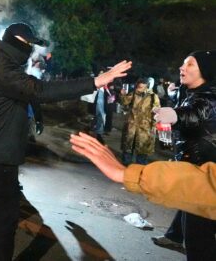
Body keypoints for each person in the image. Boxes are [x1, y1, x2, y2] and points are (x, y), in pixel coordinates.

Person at [0, 22, 132, 260]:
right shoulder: (0, 67)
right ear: (16, 43)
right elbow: (40, 91)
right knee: (7, 216)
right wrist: (95, 81)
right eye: (29, 45)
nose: (31, 52)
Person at [150, 50, 216, 260]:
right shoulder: (190, 90)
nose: (182, 68)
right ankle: (174, 236)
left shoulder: (210, 97)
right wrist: (172, 94)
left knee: (199, 239)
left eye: (190, 65)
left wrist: (174, 115)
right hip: (193, 167)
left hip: (204, 175)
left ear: (205, 71)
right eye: (183, 64)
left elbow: (197, 113)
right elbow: (185, 99)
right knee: (188, 209)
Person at [69, 132, 215, 220]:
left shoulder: (153, 97)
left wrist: (135, 175)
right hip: (134, 134)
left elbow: (208, 185)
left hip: (145, 136)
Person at [119, 78, 160, 165]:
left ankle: (139, 172)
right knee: (127, 150)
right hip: (131, 128)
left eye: (142, 86)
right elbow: (124, 103)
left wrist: (154, 126)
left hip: (144, 129)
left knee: (142, 153)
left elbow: (156, 113)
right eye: (139, 86)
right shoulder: (133, 94)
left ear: (147, 86)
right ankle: (126, 171)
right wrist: (122, 95)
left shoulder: (153, 97)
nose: (140, 88)